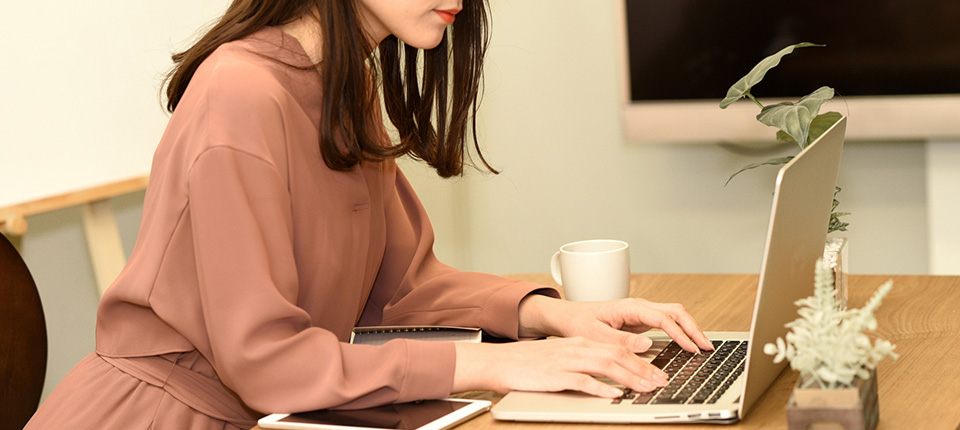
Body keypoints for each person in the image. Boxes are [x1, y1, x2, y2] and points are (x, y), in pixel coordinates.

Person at [26, 0, 714, 428]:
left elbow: (399, 289)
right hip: (162, 418)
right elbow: (265, 359)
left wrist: (548, 315)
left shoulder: (341, 86)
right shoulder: (240, 93)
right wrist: (491, 368)